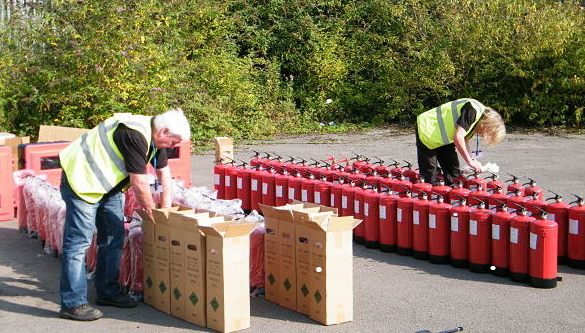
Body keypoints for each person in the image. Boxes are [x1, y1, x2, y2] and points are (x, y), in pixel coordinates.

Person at [58, 108, 190, 321]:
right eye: (173, 142)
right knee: (78, 243)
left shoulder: (155, 136)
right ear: (163, 131)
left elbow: (164, 173)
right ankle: (73, 303)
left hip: (107, 186)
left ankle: (108, 292)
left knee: (114, 237)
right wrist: (152, 215)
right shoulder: (134, 134)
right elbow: (139, 183)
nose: (173, 147)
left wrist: (166, 209)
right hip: (81, 180)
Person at [416, 98, 505, 185]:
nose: (482, 135)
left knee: (453, 171)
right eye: (486, 133)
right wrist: (469, 162)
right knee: (430, 175)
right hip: (427, 129)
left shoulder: (478, 120)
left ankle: (452, 195)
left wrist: (473, 160)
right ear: (487, 125)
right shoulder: (473, 111)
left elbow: (465, 140)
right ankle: (431, 196)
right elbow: (458, 137)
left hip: (442, 137)